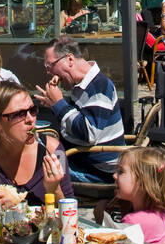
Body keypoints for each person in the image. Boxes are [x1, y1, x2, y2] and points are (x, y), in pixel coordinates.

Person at [0, 81, 71, 206]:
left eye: (32, 110)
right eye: (19, 114)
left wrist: (54, 189)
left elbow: (70, 213)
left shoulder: (55, 149)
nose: (30, 119)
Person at [33, 35, 125, 182]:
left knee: (37, 161)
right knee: (36, 143)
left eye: (50, 65)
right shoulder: (80, 86)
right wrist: (54, 106)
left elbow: (88, 133)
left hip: (98, 172)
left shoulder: (98, 86)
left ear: (69, 59)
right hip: (82, 160)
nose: (48, 72)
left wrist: (59, 104)